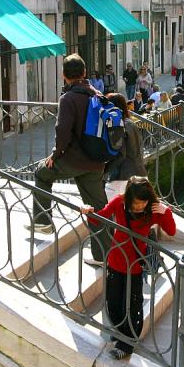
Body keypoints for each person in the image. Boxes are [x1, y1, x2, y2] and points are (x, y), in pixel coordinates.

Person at [81, 176, 175, 359]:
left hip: (136, 267)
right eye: (136, 202)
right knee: (113, 302)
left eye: (143, 202)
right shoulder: (119, 202)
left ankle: (127, 343)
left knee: (133, 306)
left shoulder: (153, 210)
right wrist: (87, 211)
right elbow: (99, 219)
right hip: (116, 261)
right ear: (129, 197)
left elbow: (171, 231)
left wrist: (167, 212)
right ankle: (119, 333)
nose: (140, 206)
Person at [30, 55, 109, 262]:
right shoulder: (97, 94)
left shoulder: (68, 99)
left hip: (73, 160)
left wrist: (54, 156)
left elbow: (62, 132)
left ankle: (43, 222)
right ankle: (104, 254)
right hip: (96, 161)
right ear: (84, 73)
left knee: (41, 172)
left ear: (64, 76)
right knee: (98, 208)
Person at [104, 93, 148, 193]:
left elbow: (120, 154)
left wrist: (104, 170)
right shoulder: (130, 123)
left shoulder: (119, 126)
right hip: (138, 170)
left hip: (124, 175)